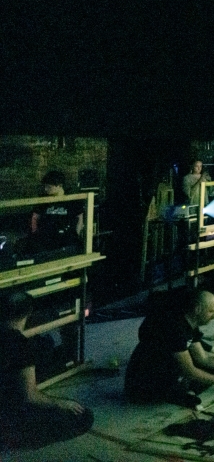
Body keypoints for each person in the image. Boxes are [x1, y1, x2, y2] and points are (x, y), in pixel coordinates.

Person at [0, 291, 93, 450]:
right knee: (83, 416)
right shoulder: (20, 345)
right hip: (8, 419)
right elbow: (29, 396)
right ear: (28, 313)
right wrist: (61, 403)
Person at [124, 289, 214, 408]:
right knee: (202, 377)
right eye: (211, 311)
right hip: (143, 385)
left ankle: (184, 389)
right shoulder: (176, 330)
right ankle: (180, 392)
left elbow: (204, 359)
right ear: (197, 309)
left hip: (165, 369)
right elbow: (190, 371)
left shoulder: (190, 322)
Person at [27, 170, 84, 256]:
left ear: (60, 185)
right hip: (46, 241)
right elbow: (35, 217)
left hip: (66, 241)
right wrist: (35, 235)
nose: (46, 189)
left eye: (49, 187)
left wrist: (76, 235)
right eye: (45, 186)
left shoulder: (72, 200)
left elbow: (80, 219)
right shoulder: (43, 200)